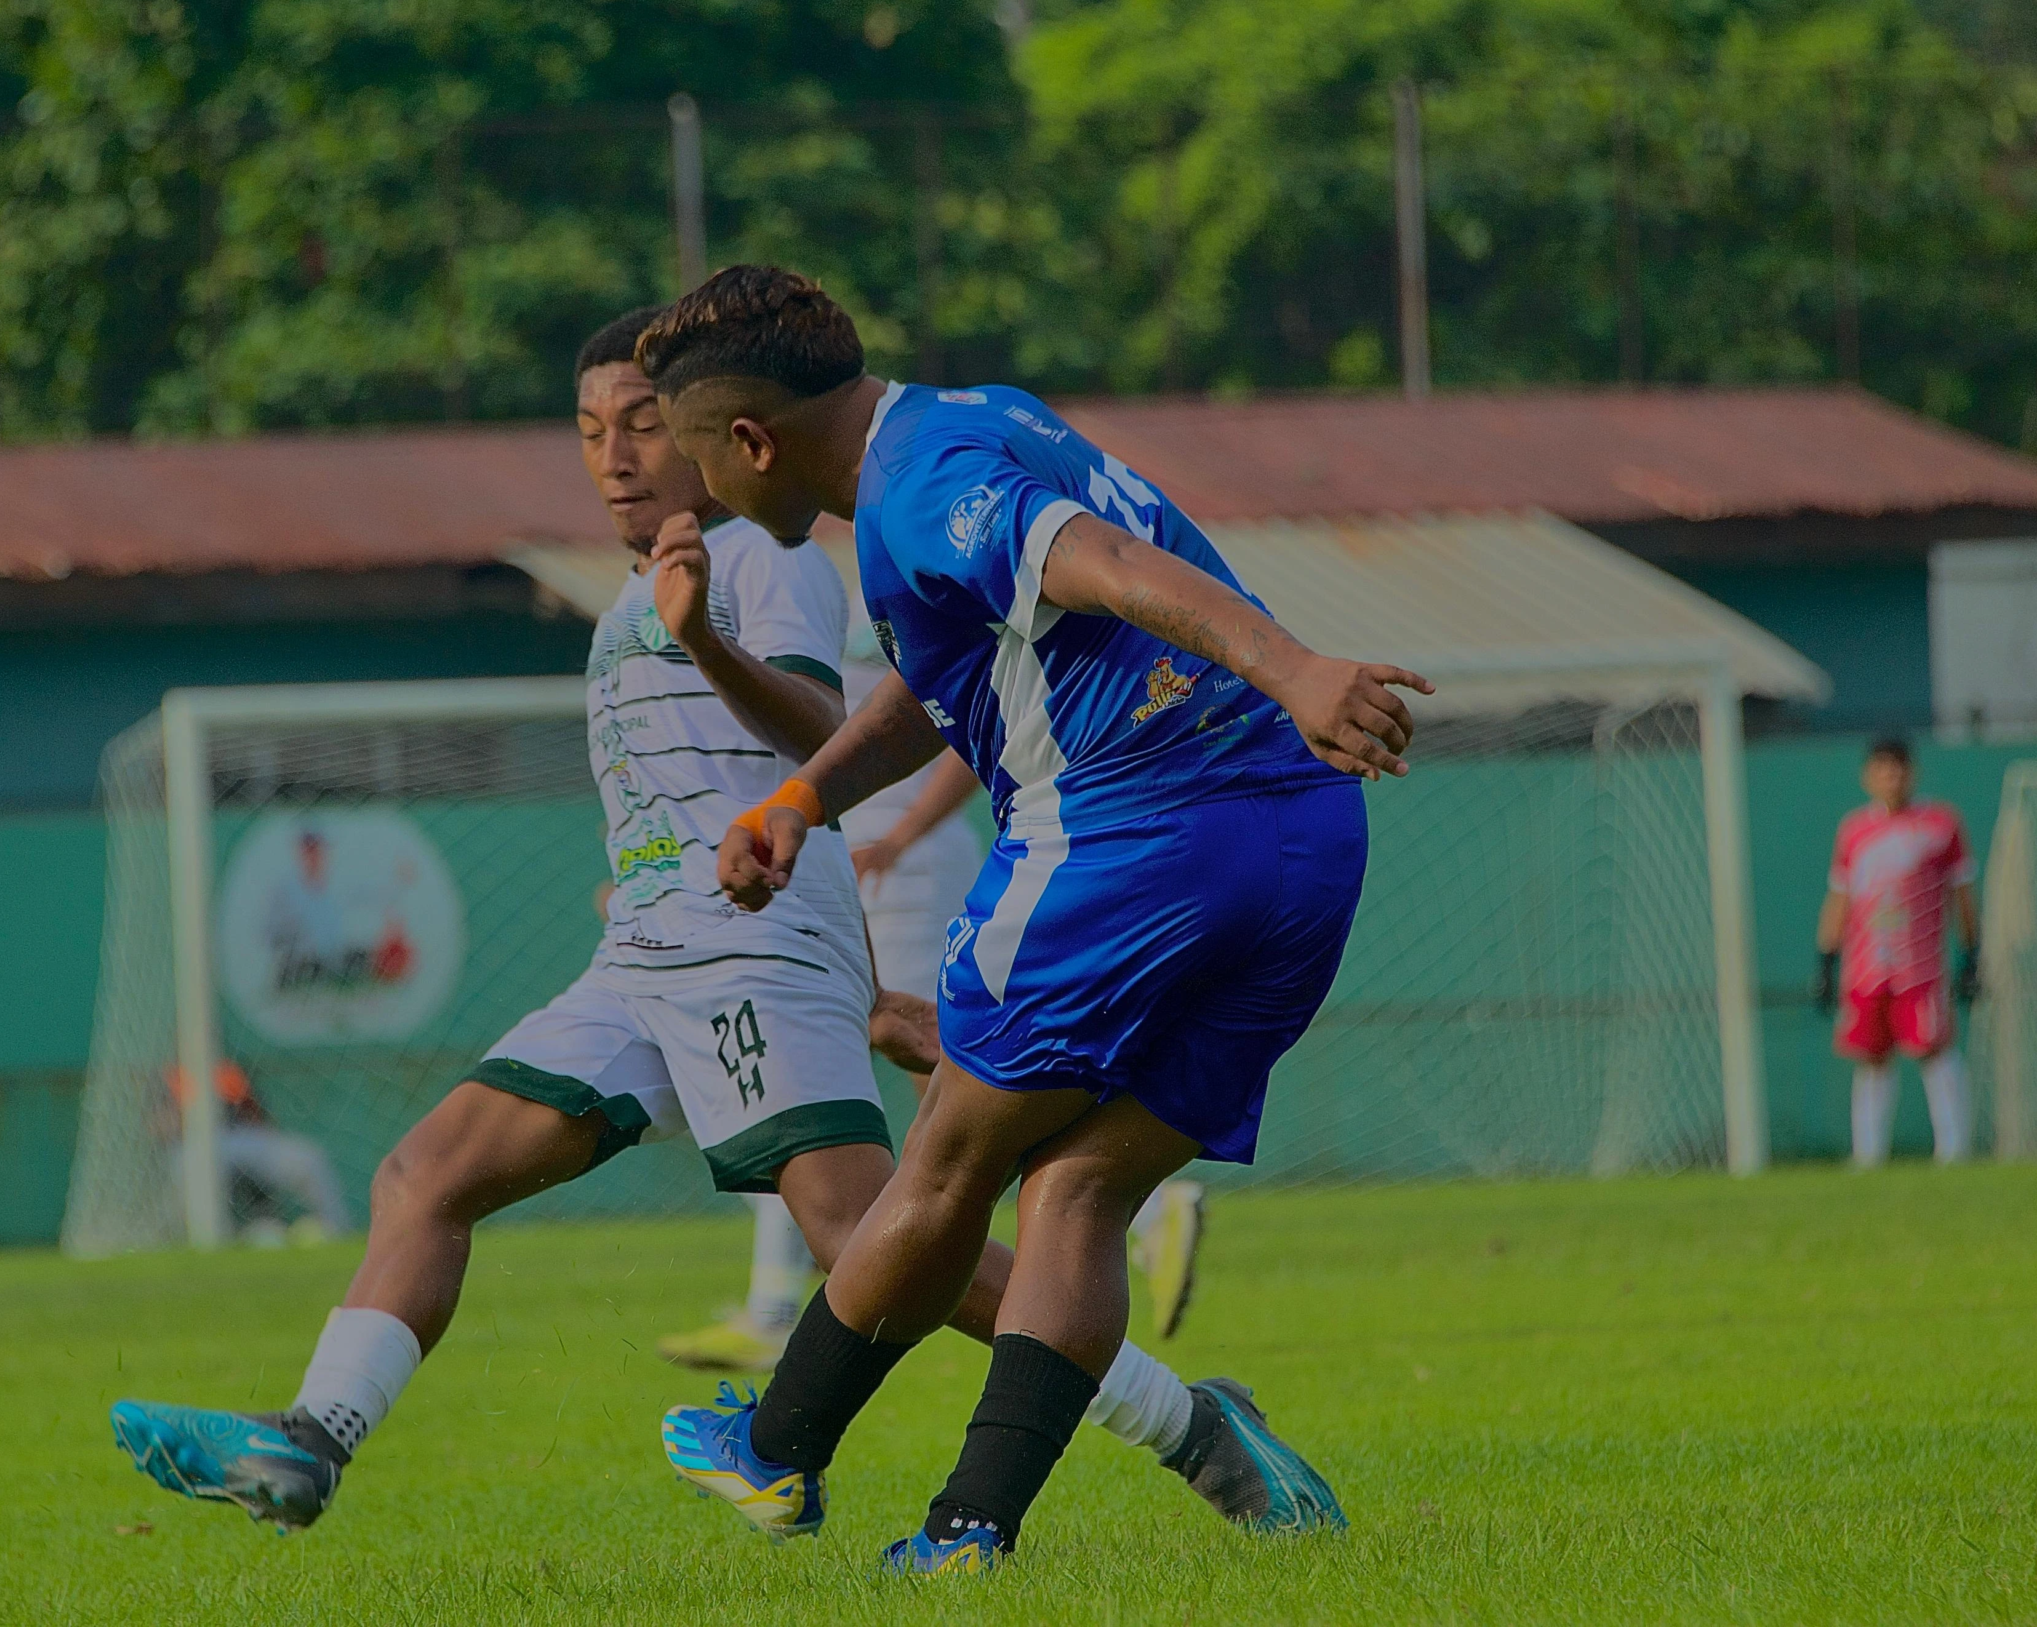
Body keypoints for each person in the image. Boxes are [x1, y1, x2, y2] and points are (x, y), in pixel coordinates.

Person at [107, 306, 1296, 1536]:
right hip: (648, 956)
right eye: (588, 430)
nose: (614, 454)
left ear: (717, 438)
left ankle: (1195, 1428)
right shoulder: (651, 583)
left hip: (751, 948)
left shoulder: (757, 558)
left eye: (640, 425)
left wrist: (704, 646)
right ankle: (311, 1440)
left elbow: (811, 734)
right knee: (427, 1175)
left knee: (870, 1234)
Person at [639, 266, 1427, 1572]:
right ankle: (966, 1533)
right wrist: (807, 794)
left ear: (750, 441)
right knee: (1079, 1182)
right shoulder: (978, 414)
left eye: (691, 462)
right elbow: (954, 675)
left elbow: (1106, 562)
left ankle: (773, 1445)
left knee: (946, 1160)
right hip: (1300, 836)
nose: (697, 494)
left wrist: (1298, 666)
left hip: (1137, 830)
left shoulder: (919, 483)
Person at [663, 611, 1208, 1370]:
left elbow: (963, 722)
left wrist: (903, 835)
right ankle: (774, 1301)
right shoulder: (817, 604)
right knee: (856, 1077)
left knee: (942, 1089)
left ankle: (1139, 1210)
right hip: (841, 862)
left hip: (894, 870)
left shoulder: (878, 595)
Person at [1813, 738, 1978, 1168]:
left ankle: (1953, 1149)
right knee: (1872, 1057)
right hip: (1866, 967)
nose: (1892, 777)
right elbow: (1839, 897)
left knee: (1933, 1050)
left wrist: (1971, 953)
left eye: (1900, 768)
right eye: (1883, 768)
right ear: (1868, 775)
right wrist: (1826, 959)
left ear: (1913, 772)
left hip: (1920, 967)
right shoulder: (1853, 830)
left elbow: (1963, 894)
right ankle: (1867, 1154)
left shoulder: (1940, 824)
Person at [158, 1058, 354, 1240]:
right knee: (189, 1163)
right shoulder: (172, 1076)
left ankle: (336, 1231)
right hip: (195, 1143)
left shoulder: (228, 1069)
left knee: (308, 1157)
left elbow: (258, 1115)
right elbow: (157, 1126)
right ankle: (203, 1239)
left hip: (244, 1139)